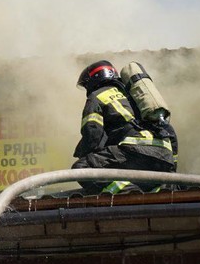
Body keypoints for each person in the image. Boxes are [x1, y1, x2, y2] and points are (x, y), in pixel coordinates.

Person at [72, 60, 175, 194]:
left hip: (135, 152)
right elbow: (170, 131)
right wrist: (172, 168)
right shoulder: (135, 96)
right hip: (163, 156)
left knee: (82, 169)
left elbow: (92, 132)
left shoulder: (96, 96)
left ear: (93, 80)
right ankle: (161, 189)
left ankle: (128, 192)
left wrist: (86, 155)